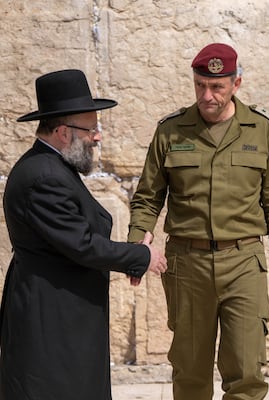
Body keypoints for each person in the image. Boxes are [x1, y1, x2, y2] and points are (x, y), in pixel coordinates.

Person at [127, 43, 269, 400]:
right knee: (190, 371)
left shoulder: (260, 129)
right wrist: (138, 240)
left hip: (244, 262)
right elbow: (148, 196)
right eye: (200, 85)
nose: (207, 95)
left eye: (217, 86)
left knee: (247, 370)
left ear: (237, 84)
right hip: (188, 265)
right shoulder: (171, 131)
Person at [0, 69, 168, 400]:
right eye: (90, 129)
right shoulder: (44, 177)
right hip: (51, 320)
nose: (97, 137)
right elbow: (82, 245)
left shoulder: (52, 167)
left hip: (63, 315)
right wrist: (141, 257)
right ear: (63, 131)